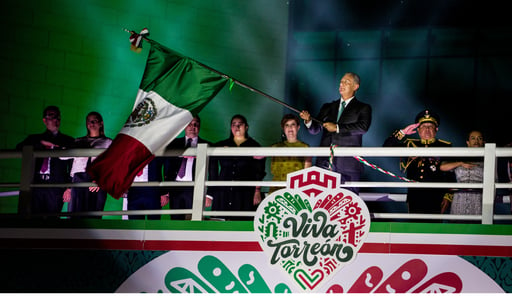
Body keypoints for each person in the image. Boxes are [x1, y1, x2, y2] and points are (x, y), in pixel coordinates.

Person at [299, 72, 372, 194]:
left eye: (346, 82)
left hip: (348, 165)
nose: (341, 84)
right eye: (341, 82)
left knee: (347, 202)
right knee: (321, 200)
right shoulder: (328, 106)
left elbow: (363, 127)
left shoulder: (363, 108)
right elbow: (314, 129)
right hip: (324, 163)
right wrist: (308, 121)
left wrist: (338, 128)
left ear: (355, 87)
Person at [383, 109, 454, 215]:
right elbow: (386, 148)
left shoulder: (445, 146)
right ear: (419, 130)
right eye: (423, 127)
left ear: (436, 129)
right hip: (415, 195)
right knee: (415, 227)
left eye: (430, 126)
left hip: (436, 195)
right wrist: (402, 132)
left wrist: (448, 196)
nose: (427, 130)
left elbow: (451, 174)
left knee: (435, 228)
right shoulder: (409, 144)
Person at [16, 106, 75, 216]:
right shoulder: (34, 139)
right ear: (44, 120)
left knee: (52, 221)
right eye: (52, 116)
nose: (56, 119)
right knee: (35, 219)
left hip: (56, 186)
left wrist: (69, 187)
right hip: (36, 185)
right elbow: (18, 148)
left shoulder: (68, 140)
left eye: (58, 117)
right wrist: (41, 143)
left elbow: (73, 166)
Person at [209, 114, 266, 220]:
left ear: (246, 127)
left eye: (240, 124)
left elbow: (260, 171)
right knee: (220, 224)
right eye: (234, 124)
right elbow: (208, 149)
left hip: (244, 190)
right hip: (223, 190)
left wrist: (257, 190)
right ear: (231, 128)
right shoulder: (223, 144)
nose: (237, 127)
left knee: (241, 220)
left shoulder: (254, 146)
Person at [62, 112, 112, 219]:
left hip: (97, 182)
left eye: (94, 120)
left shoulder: (108, 143)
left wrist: (101, 180)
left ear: (101, 123)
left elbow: (113, 166)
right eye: (89, 121)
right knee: (74, 217)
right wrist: (69, 188)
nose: (91, 123)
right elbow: (65, 159)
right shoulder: (78, 141)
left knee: (93, 218)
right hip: (78, 179)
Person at [161, 116, 213, 220]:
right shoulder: (173, 144)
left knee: (193, 220)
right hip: (175, 187)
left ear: (199, 127)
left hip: (195, 188)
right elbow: (167, 168)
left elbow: (213, 171)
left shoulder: (207, 145)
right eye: (190, 123)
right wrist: (165, 191)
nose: (193, 127)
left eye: (196, 124)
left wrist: (209, 195)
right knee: (176, 220)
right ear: (184, 125)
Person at [440, 130, 485, 216]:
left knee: (478, 226)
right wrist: (460, 163)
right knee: (459, 226)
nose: (476, 141)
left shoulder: (489, 158)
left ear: (483, 142)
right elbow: (443, 167)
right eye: (473, 138)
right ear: (468, 142)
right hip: (460, 196)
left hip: (479, 197)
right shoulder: (460, 155)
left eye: (479, 138)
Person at [269, 114, 312, 194]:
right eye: (287, 125)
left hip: (296, 189)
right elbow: (258, 156)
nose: (290, 128)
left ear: (298, 127)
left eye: (293, 124)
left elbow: (307, 173)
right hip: (276, 188)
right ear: (283, 128)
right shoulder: (275, 147)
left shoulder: (305, 147)